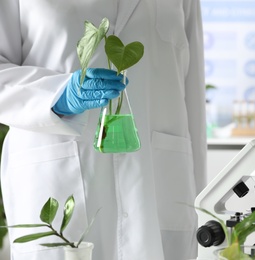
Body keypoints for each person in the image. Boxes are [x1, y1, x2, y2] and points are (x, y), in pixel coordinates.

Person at [0, 1, 207, 260]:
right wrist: (56, 95)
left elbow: (193, 93)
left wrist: (203, 205)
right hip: (57, 173)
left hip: (157, 182)